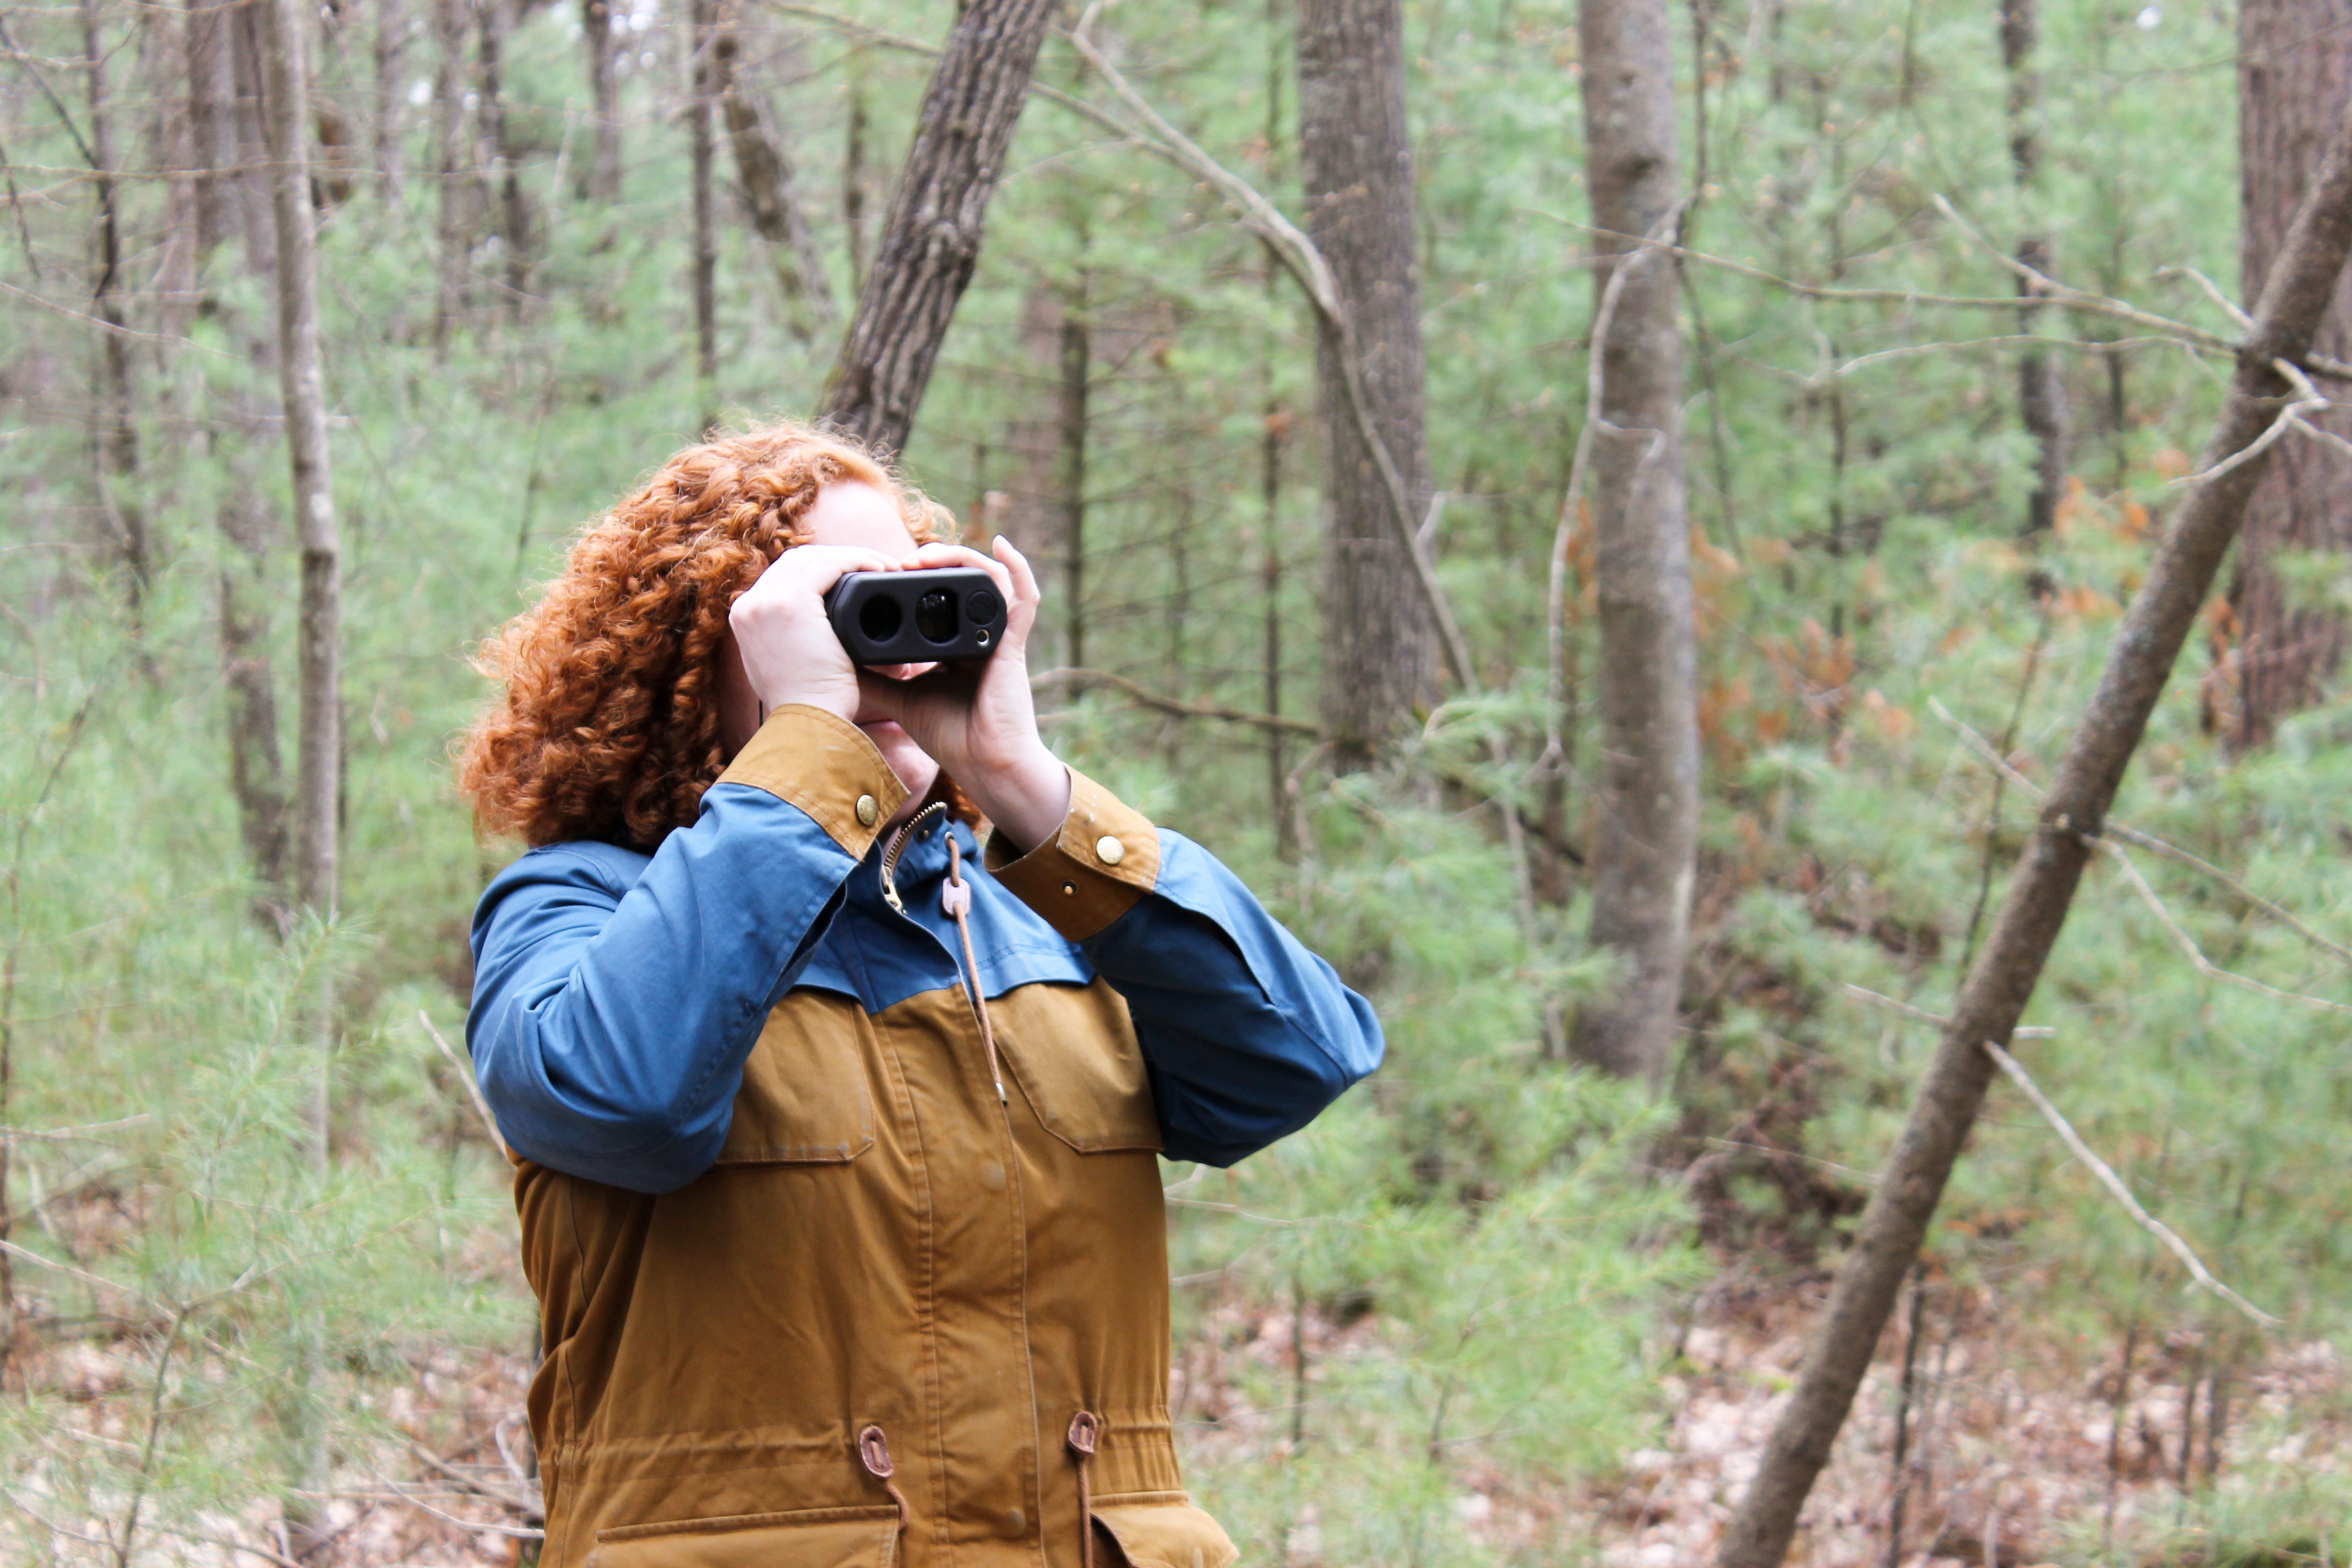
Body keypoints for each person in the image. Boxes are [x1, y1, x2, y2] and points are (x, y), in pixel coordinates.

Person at [458, 422, 1381, 1568]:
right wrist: (807, 746)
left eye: (911, 601)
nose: (883, 659)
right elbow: (622, 1098)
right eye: (832, 614)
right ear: (700, 652)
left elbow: (1297, 1057)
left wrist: (1023, 783)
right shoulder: (578, 908)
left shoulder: (1048, 908)